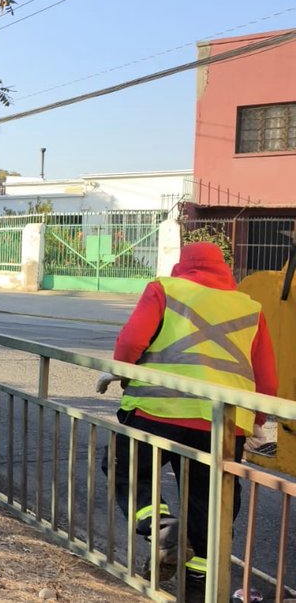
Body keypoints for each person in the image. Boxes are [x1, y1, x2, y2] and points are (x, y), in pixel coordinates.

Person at [101, 242, 277, 592]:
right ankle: (201, 579)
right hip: (224, 424)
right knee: (209, 499)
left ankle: (160, 525)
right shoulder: (250, 307)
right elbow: (266, 377)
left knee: (126, 469)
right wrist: (256, 420)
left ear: (183, 265)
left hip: (157, 411)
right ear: (224, 268)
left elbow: (131, 341)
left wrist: (122, 372)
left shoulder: (166, 289)